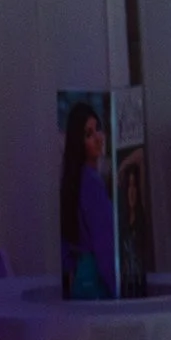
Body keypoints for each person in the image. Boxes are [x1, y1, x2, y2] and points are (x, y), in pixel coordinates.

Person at [59, 101, 115, 298]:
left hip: (80, 282)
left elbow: (65, 248)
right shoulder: (91, 183)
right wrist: (118, 289)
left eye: (98, 129)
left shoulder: (72, 181)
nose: (98, 137)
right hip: (97, 281)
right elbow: (104, 246)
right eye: (89, 134)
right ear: (79, 142)